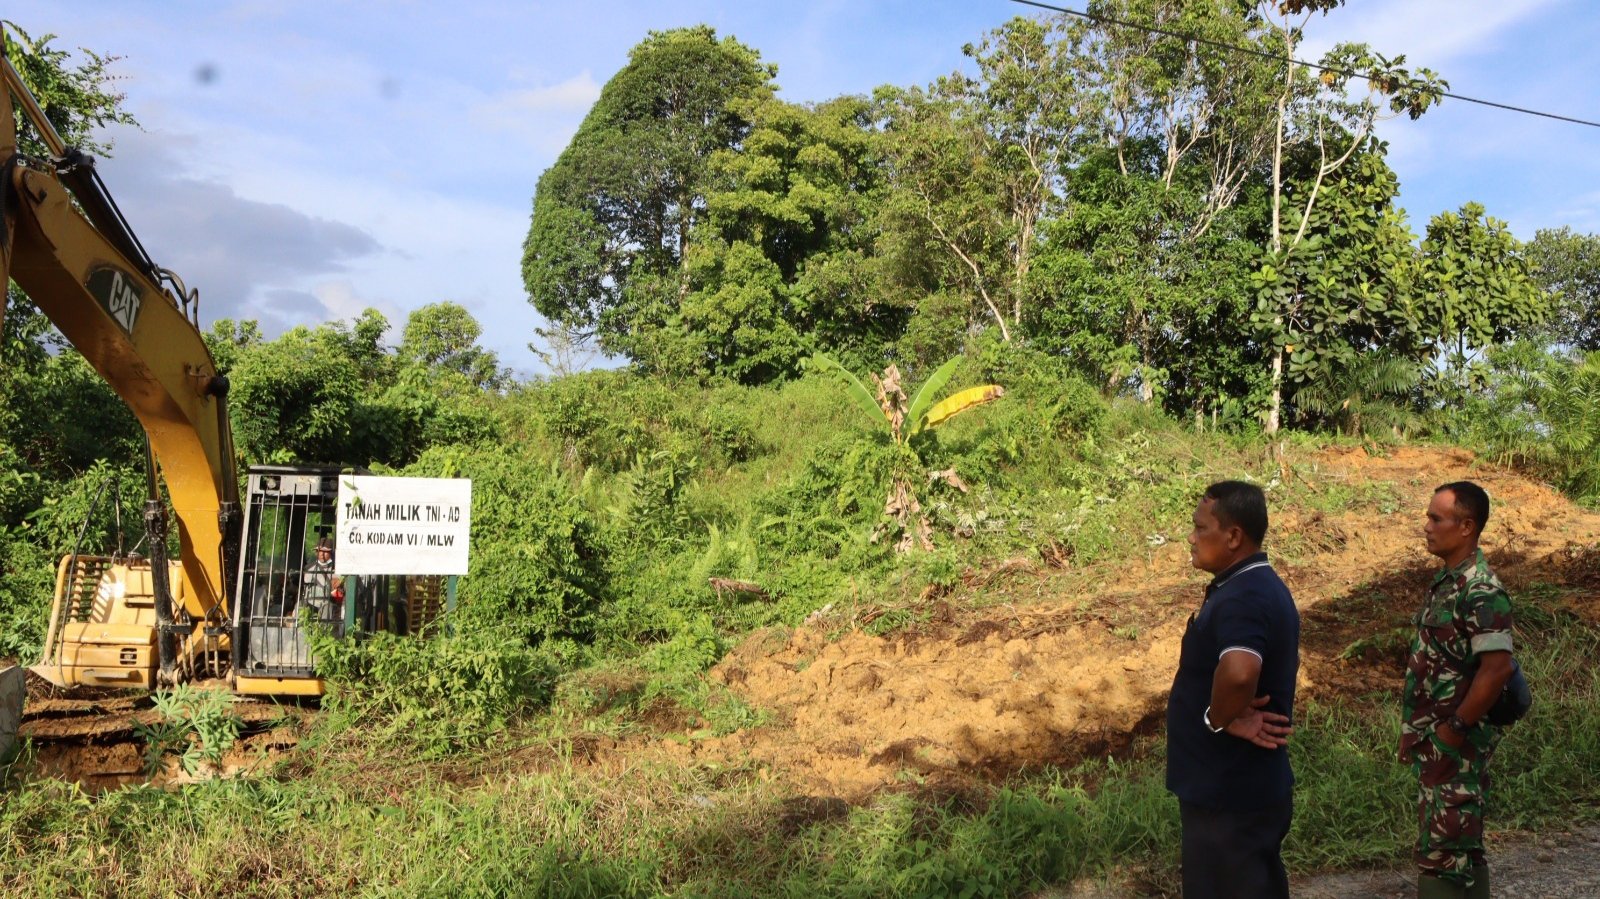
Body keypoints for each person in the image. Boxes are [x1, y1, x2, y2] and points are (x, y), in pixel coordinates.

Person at [1166, 480, 1300, 899]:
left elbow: (1240, 672)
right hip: (1235, 793)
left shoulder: (1245, 595)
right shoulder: (1247, 586)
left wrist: (1217, 718)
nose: (1191, 537)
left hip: (1229, 798)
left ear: (1234, 536)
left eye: (1200, 527)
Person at [1403, 481, 1515, 899]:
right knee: (1460, 849)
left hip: (1457, 745)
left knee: (1442, 853)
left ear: (1466, 526)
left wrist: (1452, 730)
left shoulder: (1480, 589)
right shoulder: (1447, 583)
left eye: (1436, 518)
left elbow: (1497, 670)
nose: (1426, 526)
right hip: (1438, 741)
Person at [301, 537, 343, 633]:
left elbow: (341, 595)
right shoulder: (308, 568)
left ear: (331, 553)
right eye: (319, 551)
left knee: (327, 609)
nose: (321, 554)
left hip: (328, 604)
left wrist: (337, 589)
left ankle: (324, 635)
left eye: (325, 551)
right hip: (310, 604)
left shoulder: (337, 569)